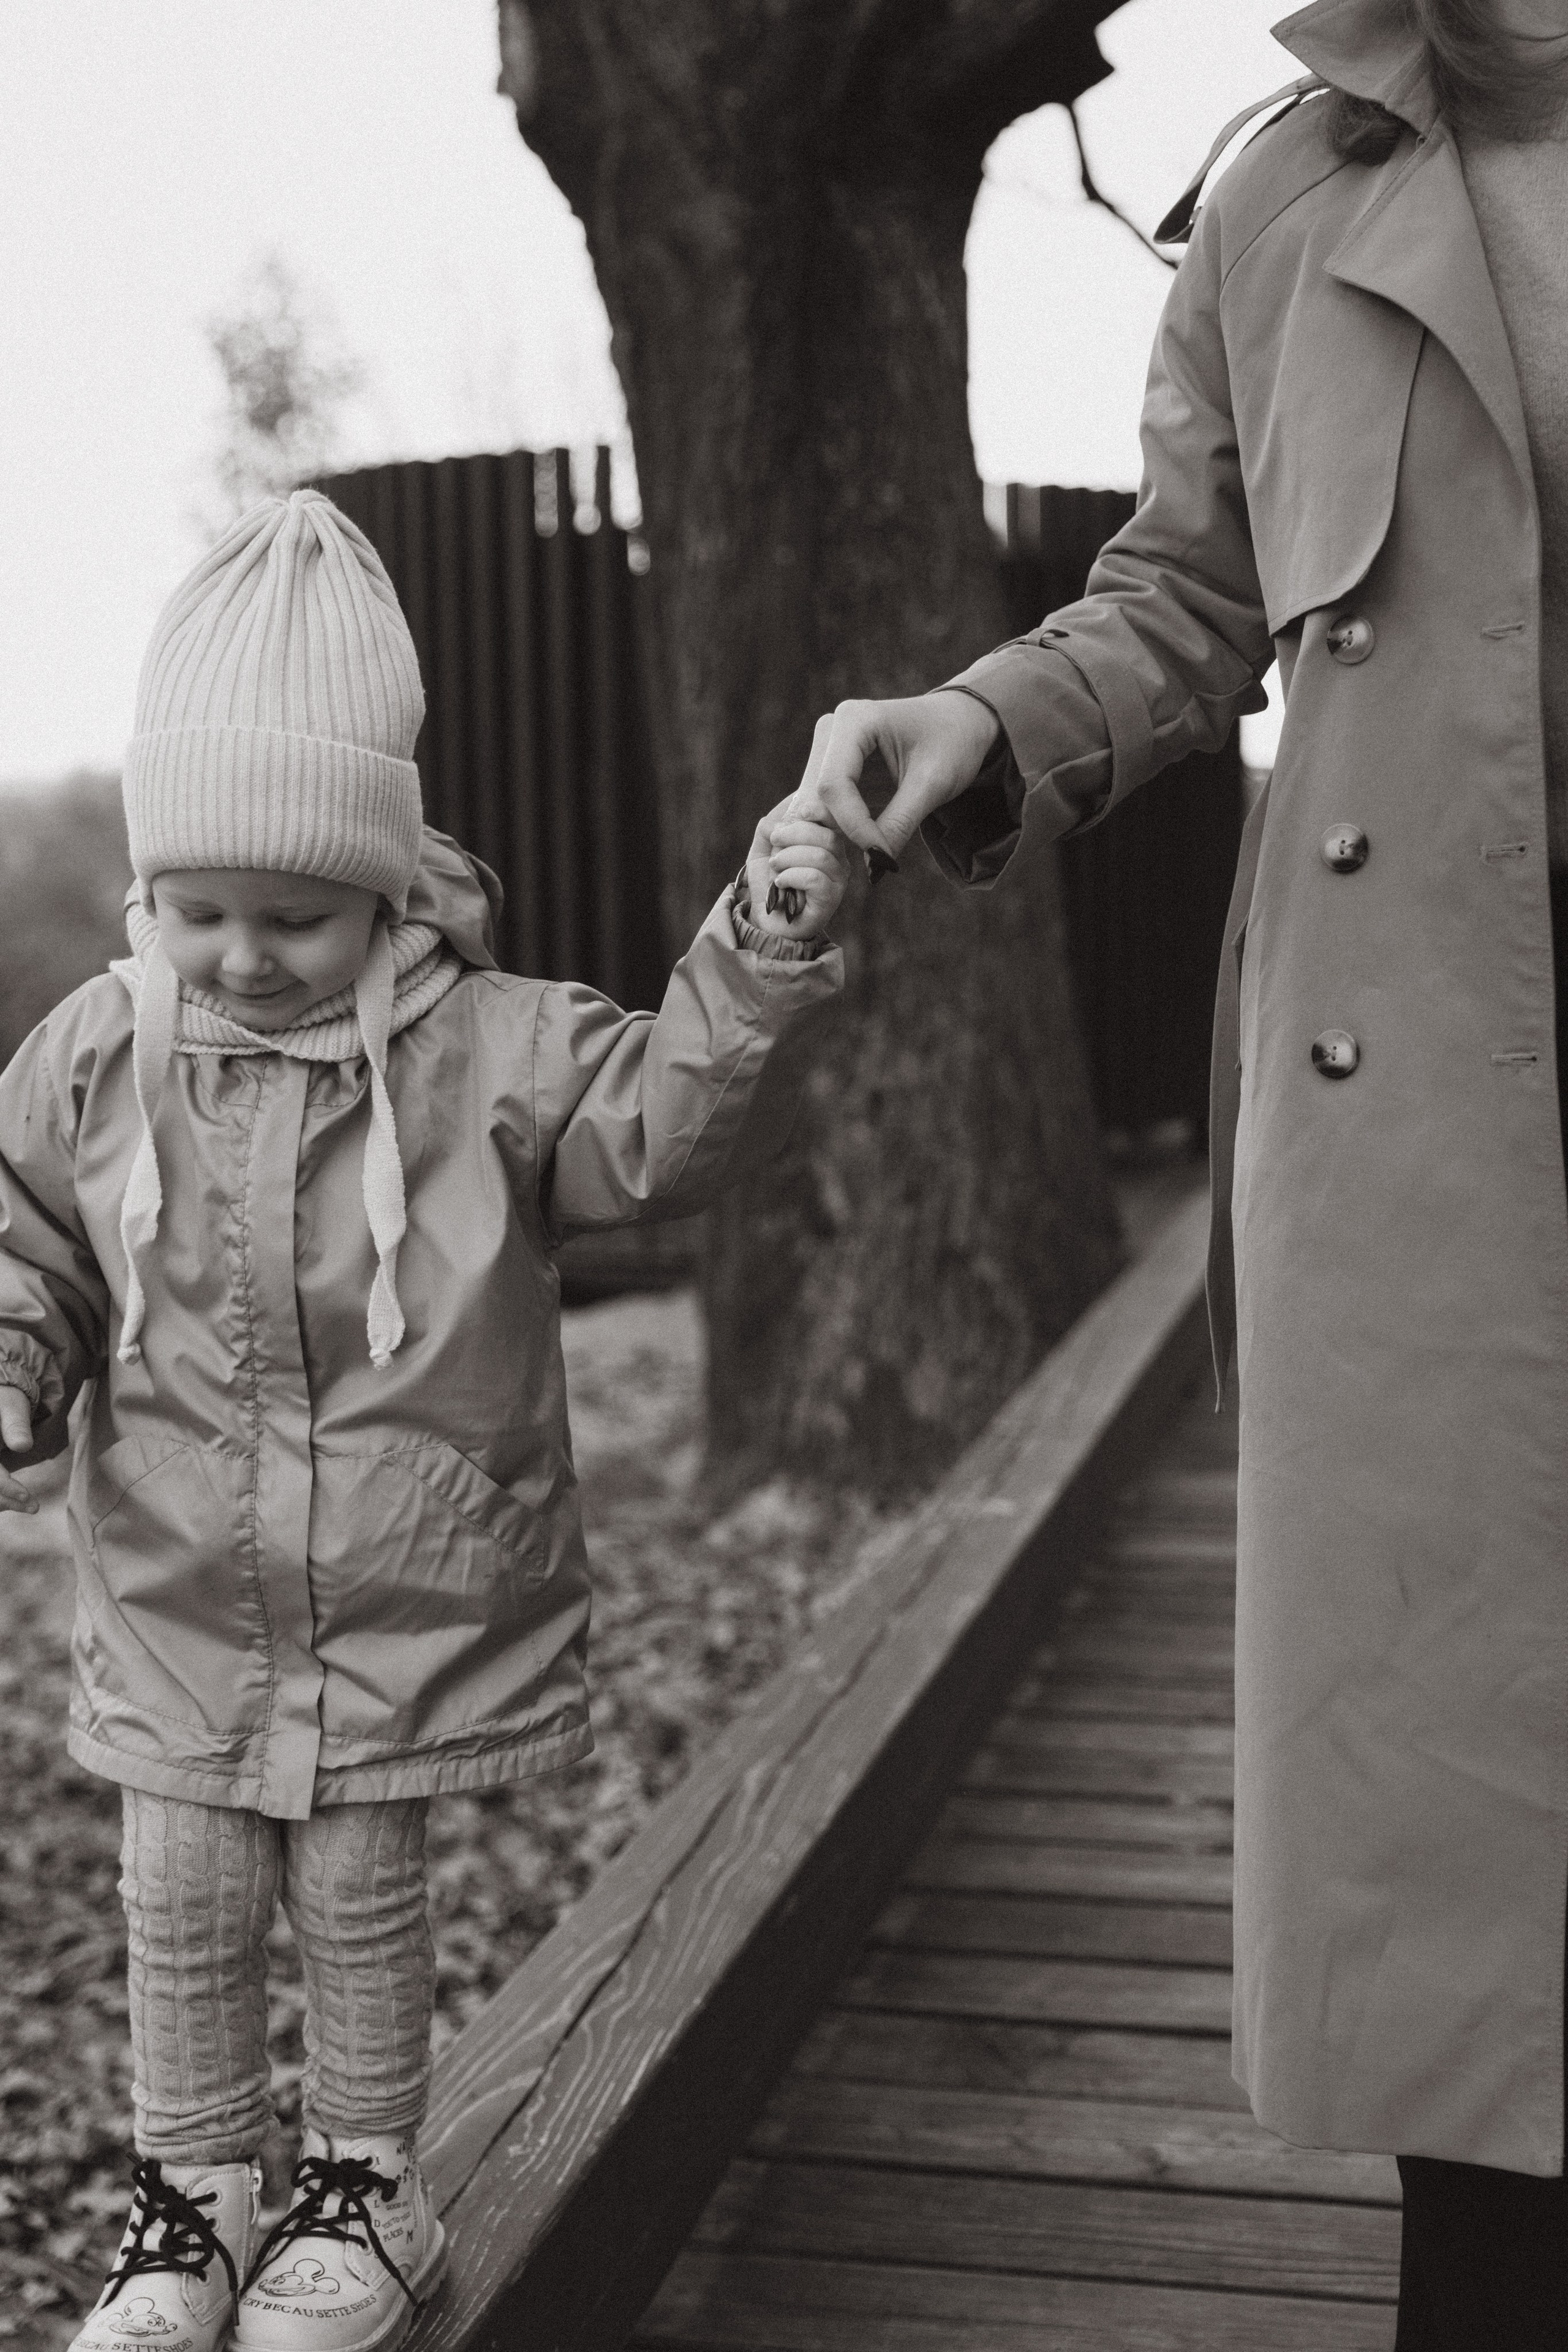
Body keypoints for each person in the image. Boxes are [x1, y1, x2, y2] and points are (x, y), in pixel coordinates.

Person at [797, 1, 1568, 2343]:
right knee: (1461, 1831)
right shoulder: (1281, 190)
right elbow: (1188, 588)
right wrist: (990, 716)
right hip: (1425, 1104)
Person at [0, 488, 848, 2352]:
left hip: (400, 1585)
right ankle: (195, 2194)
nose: (242, 956)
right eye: (197, 911)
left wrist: (754, 960)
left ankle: (366, 2186)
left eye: (295, 917)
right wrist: (17, 1353)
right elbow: (32, 1233)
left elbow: (660, 1127)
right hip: (180, 1584)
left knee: (361, 1886)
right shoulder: (101, 1051)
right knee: (180, 1885)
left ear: (384, 884)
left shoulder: (491, 1047)